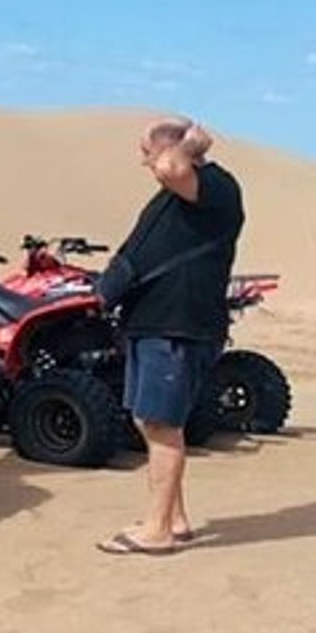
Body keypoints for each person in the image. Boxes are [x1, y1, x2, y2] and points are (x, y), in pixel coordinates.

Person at [96, 117, 243, 556]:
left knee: (163, 424)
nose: (145, 162)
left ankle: (156, 531)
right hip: (151, 322)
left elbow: (172, 170)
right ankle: (172, 519)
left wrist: (189, 142)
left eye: (148, 151)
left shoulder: (215, 188)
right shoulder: (178, 195)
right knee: (149, 419)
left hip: (179, 326)